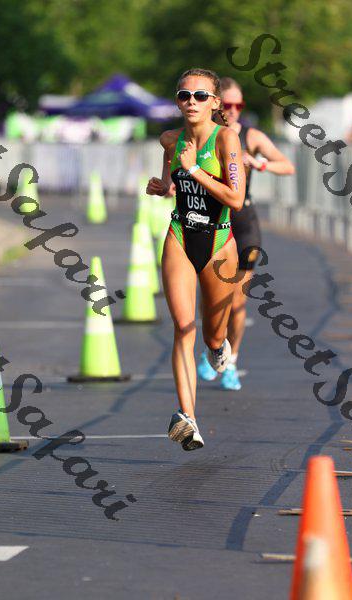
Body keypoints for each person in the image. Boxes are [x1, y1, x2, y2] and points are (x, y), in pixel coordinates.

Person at [146, 69, 245, 451]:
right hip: (180, 235)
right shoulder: (170, 139)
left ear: (215, 103)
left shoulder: (227, 139)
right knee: (183, 327)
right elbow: (171, 177)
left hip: (219, 243)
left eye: (200, 96)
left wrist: (194, 170)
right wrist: (164, 186)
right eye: (184, 95)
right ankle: (188, 417)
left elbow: (236, 199)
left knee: (212, 335)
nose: (191, 102)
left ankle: (218, 348)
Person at [197, 77, 295, 390]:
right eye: (228, 104)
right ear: (215, 104)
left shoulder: (251, 136)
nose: (233, 110)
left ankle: (231, 361)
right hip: (212, 221)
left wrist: (259, 163)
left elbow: (287, 166)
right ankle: (214, 347)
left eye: (238, 105)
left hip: (244, 223)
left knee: (238, 301)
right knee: (211, 299)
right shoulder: (205, 135)